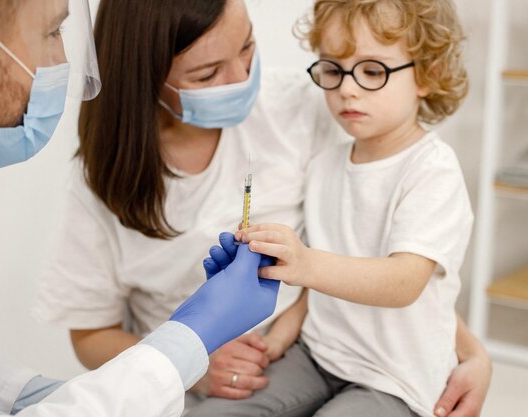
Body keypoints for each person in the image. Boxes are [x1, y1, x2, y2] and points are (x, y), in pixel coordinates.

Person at [34, 0, 491, 415]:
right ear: (146, 74)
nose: (240, 79)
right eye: (208, 73)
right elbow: (90, 333)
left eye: (248, 48)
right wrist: (192, 358)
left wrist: (471, 353)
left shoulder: (317, 113)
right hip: (261, 365)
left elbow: (402, 268)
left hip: (343, 362)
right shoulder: (100, 181)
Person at [0, 0, 280, 416]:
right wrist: (196, 337)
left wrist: (39, 396)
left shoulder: (285, 112)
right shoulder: (104, 184)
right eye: (52, 34)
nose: (63, 62)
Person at [190, 0, 492, 416]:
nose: (347, 88)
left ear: (428, 75)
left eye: (372, 71)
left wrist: (306, 262)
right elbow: (317, 291)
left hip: (393, 379)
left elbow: (405, 282)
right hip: (318, 356)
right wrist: (276, 339)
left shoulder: (432, 170)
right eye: (333, 70)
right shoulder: (326, 164)